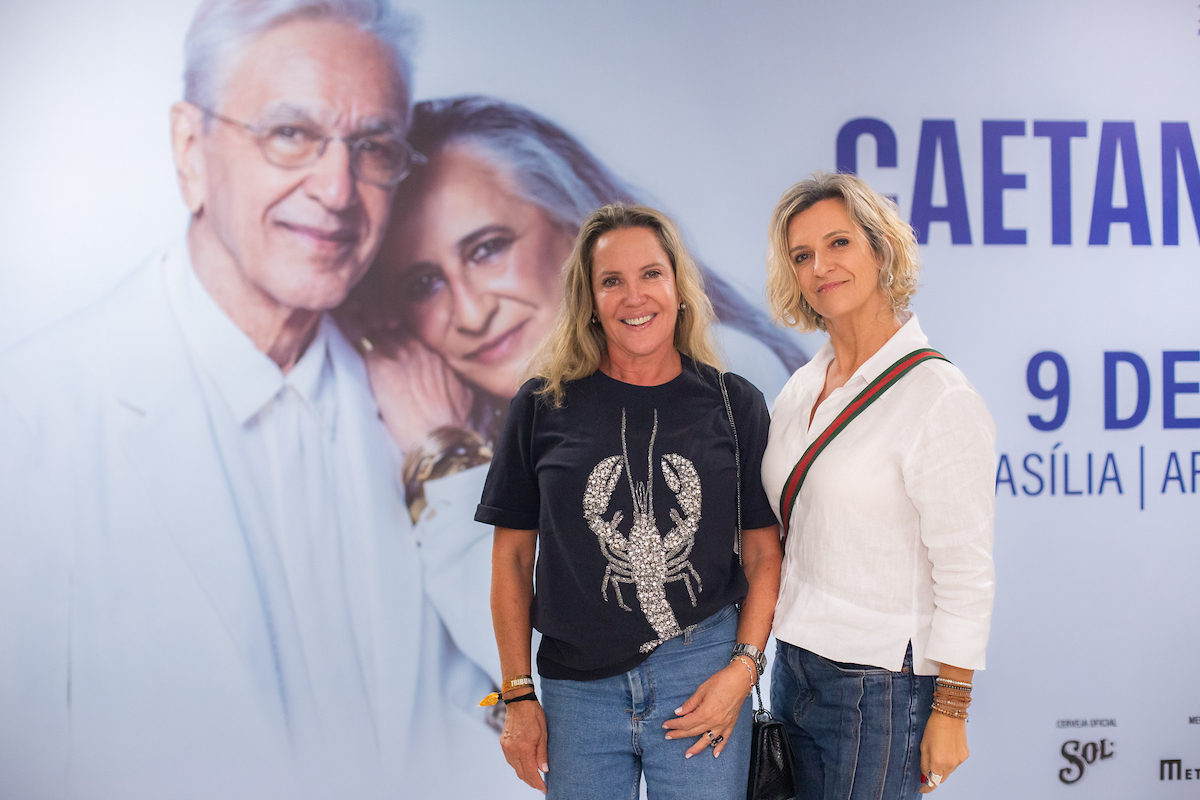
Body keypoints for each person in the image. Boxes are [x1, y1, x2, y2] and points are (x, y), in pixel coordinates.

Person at [0, 2, 516, 798]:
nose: (338, 190)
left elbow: (543, 701)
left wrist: (446, 457)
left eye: (372, 146)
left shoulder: (441, 402)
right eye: (291, 135)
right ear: (189, 149)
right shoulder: (31, 422)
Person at [337, 95, 806, 522]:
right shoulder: (517, 409)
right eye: (424, 283)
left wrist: (441, 452)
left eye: (488, 249)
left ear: (573, 228)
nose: (471, 314)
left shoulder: (721, 369)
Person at [476, 203, 783, 798]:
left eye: (651, 275)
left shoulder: (733, 403)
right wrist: (517, 695)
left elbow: (764, 555)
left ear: (678, 287)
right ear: (589, 301)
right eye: (611, 281)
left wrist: (741, 672)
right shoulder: (540, 407)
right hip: (577, 693)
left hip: (701, 673)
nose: (634, 296)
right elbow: (512, 561)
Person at [760, 172, 996, 799]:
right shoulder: (802, 387)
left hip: (879, 688)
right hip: (792, 669)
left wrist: (951, 708)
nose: (821, 267)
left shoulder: (938, 397)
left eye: (839, 243)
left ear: (881, 249)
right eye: (802, 255)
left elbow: (966, 573)